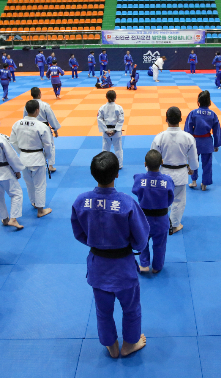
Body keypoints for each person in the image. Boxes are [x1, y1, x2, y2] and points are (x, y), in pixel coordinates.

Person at [71, 152, 150, 358]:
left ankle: (112, 346)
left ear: (92, 173)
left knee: (103, 311)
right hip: (124, 268)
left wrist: (96, 243)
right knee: (131, 309)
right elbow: (141, 239)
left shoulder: (81, 201)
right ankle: (129, 345)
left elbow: (79, 233)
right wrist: (132, 248)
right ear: (117, 173)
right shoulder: (127, 203)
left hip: (98, 268)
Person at [151, 107, 199, 235]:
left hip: (163, 174)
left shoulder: (159, 137)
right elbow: (193, 159)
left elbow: (152, 158)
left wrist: (150, 173)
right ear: (181, 119)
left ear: (166, 119)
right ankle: (174, 225)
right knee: (178, 200)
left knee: (162, 200)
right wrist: (192, 169)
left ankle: (161, 222)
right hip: (180, 174)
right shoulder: (188, 137)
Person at [10, 100, 54, 218]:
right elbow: (48, 145)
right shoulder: (42, 126)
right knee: (39, 185)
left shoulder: (17, 124)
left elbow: (13, 141)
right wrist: (47, 156)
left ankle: (34, 202)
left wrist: (22, 152)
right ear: (37, 110)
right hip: (37, 158)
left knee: (29, 184)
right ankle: (40, 210)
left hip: (23, 158)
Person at [134, 149, 174, 274]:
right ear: (162, 162)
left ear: (145, 164)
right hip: (161, 219)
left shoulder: (139, 179)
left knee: (143, 242)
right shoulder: (167, 180)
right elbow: (171, 198)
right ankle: (157, 267)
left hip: (143, 219)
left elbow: (136, 191)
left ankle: (144, 264)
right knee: (160, 245)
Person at [185, 90, 221, 191]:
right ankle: (204, 184)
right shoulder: (212, 114)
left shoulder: (193, 113)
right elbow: (217, 130)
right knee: (207, 164)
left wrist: (187, 143)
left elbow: (188, 129)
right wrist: (216, 144)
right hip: (207, 142)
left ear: (198, 101)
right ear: (209, 102)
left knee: (193, 161)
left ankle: (193, 181)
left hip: (194, 142)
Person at [23, 87, 60, 173]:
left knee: (35, 146)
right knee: (50, 145)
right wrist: (55, 129)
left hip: (31, 128)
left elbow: (25, 117)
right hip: (44, 128)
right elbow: (51, 118)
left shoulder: (27, 105)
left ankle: (36, 164)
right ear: (40, 94)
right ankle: (50, 165)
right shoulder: (45, 105)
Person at [98, 90, 124, 169]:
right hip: (116, 132)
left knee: (105, 149)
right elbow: (121, 120)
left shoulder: (102, 108)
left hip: (106, 132)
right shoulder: (119, 108)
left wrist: (106, 130)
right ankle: (119, 165)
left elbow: (99, 119)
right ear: (115, 97)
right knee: (118, 149)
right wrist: (115, 130)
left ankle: (104, 164)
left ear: (106, 97)